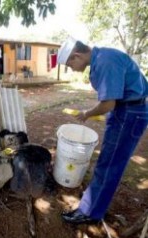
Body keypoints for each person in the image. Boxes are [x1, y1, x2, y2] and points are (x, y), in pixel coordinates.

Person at [57, 38, 148, 224]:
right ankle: (95, 199)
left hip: (129, 113)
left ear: (77, 55)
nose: (71, 69)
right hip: (127, 110)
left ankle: (90, 212)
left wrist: (87, 114)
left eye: (70, 64)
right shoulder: (103, 57)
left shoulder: (105, 61)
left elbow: (108, 103)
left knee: (109, 164)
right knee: (109, 160)